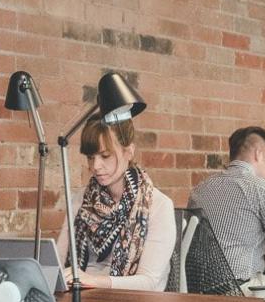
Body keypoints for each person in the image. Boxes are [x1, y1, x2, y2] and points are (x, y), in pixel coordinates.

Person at [55, 116, 176, 291]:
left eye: (105, 156)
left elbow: (149, 282)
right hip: (81, 300)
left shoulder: (158, 206)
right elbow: (58, 261)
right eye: (90, 157)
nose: (96, 166)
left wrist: (92, 281)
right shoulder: (80, 200)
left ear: (129, 152)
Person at [187, 126, 265, 284]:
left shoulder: (200, 189)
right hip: (240, 288)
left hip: (198, 287)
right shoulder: (263, 189)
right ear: (258, 154)